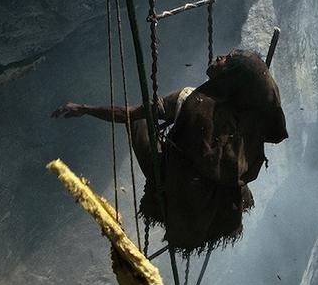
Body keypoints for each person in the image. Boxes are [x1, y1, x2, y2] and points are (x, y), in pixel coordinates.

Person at [52, 49, 288, 251]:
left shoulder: (189, 100)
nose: (219, 57)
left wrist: (84, 108)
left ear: (229, 75)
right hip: (220, 208)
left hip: (177, 197)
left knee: (139, 120)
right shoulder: (245, 124)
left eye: (226, 58)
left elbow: (128, 115)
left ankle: (166, 181)